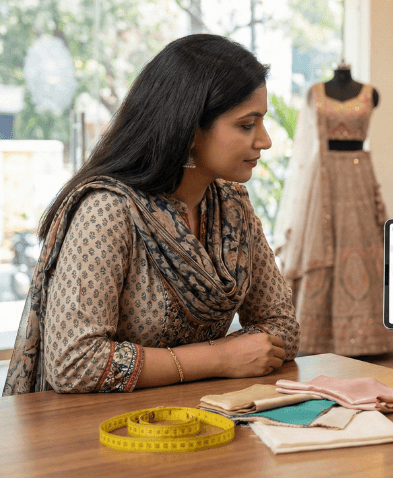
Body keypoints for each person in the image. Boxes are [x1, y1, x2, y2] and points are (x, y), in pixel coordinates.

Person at [3, 34, 299, 395]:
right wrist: (219, 358)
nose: (265, 140)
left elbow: (282, 325)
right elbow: (74, 362)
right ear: (191, 130)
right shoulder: (109, 210)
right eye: (247, 124)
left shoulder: (231, 205)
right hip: (101, 433)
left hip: (203, 417)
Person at [273, 63, 393, 356]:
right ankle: (316, 337)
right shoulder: (314, 92)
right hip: (322, 176)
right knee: (320, 246)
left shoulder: (370, 93)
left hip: (359, 174)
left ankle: (369, 338)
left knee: (362, 243)